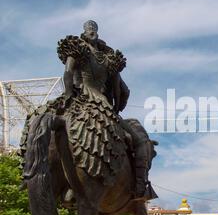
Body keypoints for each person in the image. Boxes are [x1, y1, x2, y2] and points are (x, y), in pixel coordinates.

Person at [22, 20, 157, 201]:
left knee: (35, 118)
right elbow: (122, 92)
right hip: (99, 102)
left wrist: (69, 95)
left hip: (71, 98)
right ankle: (141, 186)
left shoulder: (77, 48)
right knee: (140, 141)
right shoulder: (108, 59)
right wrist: (115, 109)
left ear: (85, 32)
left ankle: (26, 171)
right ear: (94, 33)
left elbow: (68, 74)